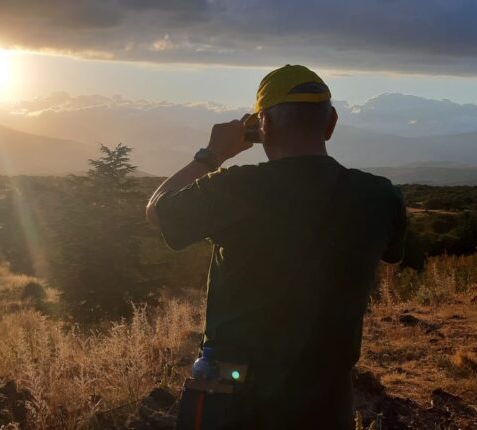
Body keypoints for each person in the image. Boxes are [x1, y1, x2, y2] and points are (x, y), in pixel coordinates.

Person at [146, 65, 406, 429]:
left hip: (232, 401)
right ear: (330, 122)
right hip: (326, 402)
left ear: (261, 125)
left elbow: (158, 210)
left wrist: (211, 155)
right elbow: (393, 252)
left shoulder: (235, 188)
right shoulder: (380, 196)